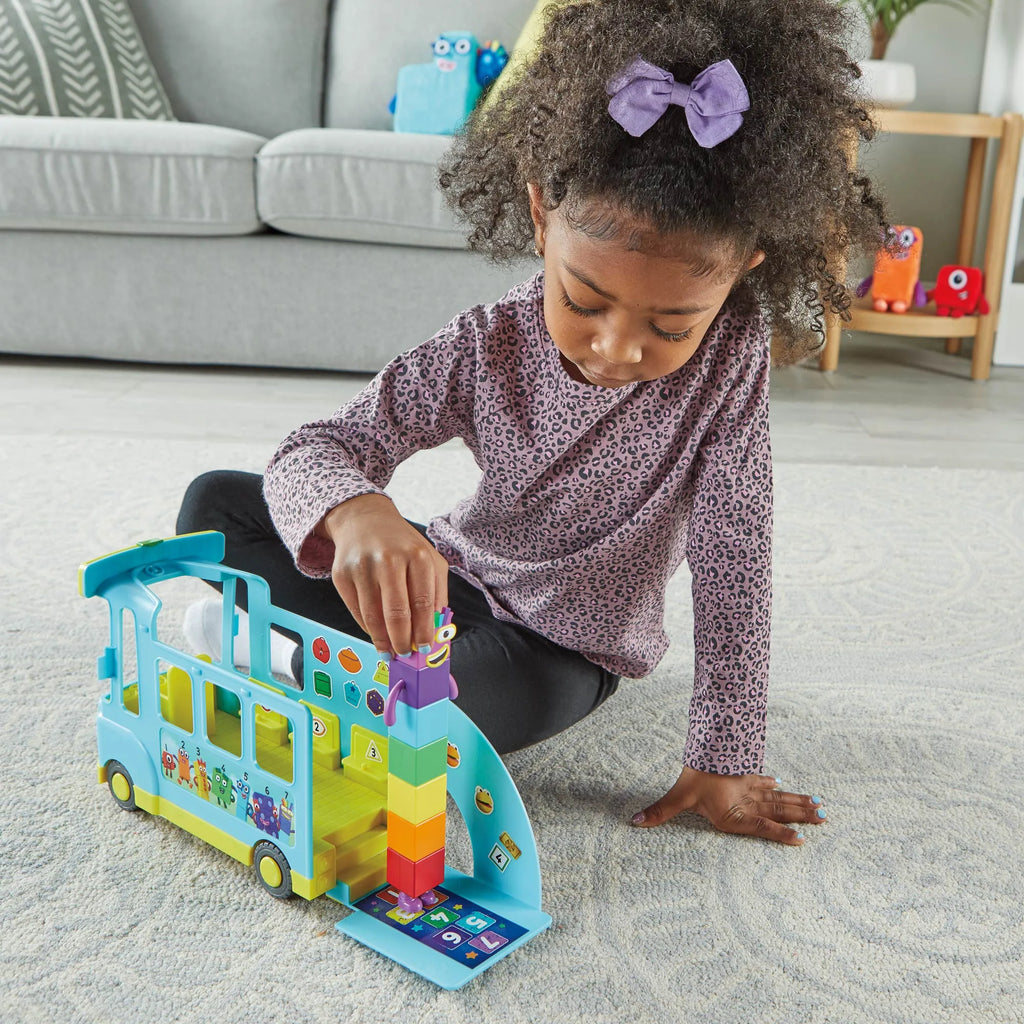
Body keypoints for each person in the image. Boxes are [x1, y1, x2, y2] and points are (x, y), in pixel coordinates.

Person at [178, 0, 887, 846]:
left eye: (670, 327)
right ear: (542, 218)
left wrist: (723, 757)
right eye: (584, 301)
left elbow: (735, 559)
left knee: (449, 719)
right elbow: (320, 448)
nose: (618, 348)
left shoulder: (733, 360)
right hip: (447, 583)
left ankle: (287, 661)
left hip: (559, 649)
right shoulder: (490, 342)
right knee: (215, 506)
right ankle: (337, 676)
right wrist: (355, 509)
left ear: (744, 271)